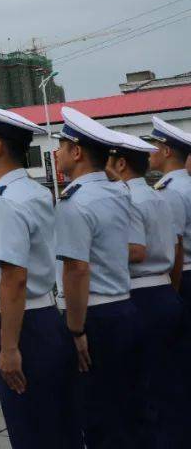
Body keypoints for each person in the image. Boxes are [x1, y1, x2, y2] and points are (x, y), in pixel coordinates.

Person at [0, 101, 78, 449]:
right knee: (55, 423)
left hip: (22, 324)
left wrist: (9, 347)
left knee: (29, 426)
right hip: (45, 316)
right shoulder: (34, 191)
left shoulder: (6, 200)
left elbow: (13, 278)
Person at [55, 106, 140, 447]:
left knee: (95, 413)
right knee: (127, 409)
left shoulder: (74, 201)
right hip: (125, 307)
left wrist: (75, 330)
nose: (56, 153)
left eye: (61, 146)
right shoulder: (119, 191)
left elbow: (76, 270)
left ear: (76, 152)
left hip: (95, 316)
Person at [108, 129, 184, 447]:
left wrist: (95, 249)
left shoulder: (127, 198)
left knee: (140, 387)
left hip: (139, 294)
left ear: (121, 164)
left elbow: (135, 251)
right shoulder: (157, 194)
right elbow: (177, 249)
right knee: (168, 381)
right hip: (164, 291)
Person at [143, 116, 191, 304]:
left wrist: (173, 289)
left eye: (154, 147)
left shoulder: (169, 191)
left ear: (167, 151)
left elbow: (175, 245)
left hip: (183, 275)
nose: (150, 152)